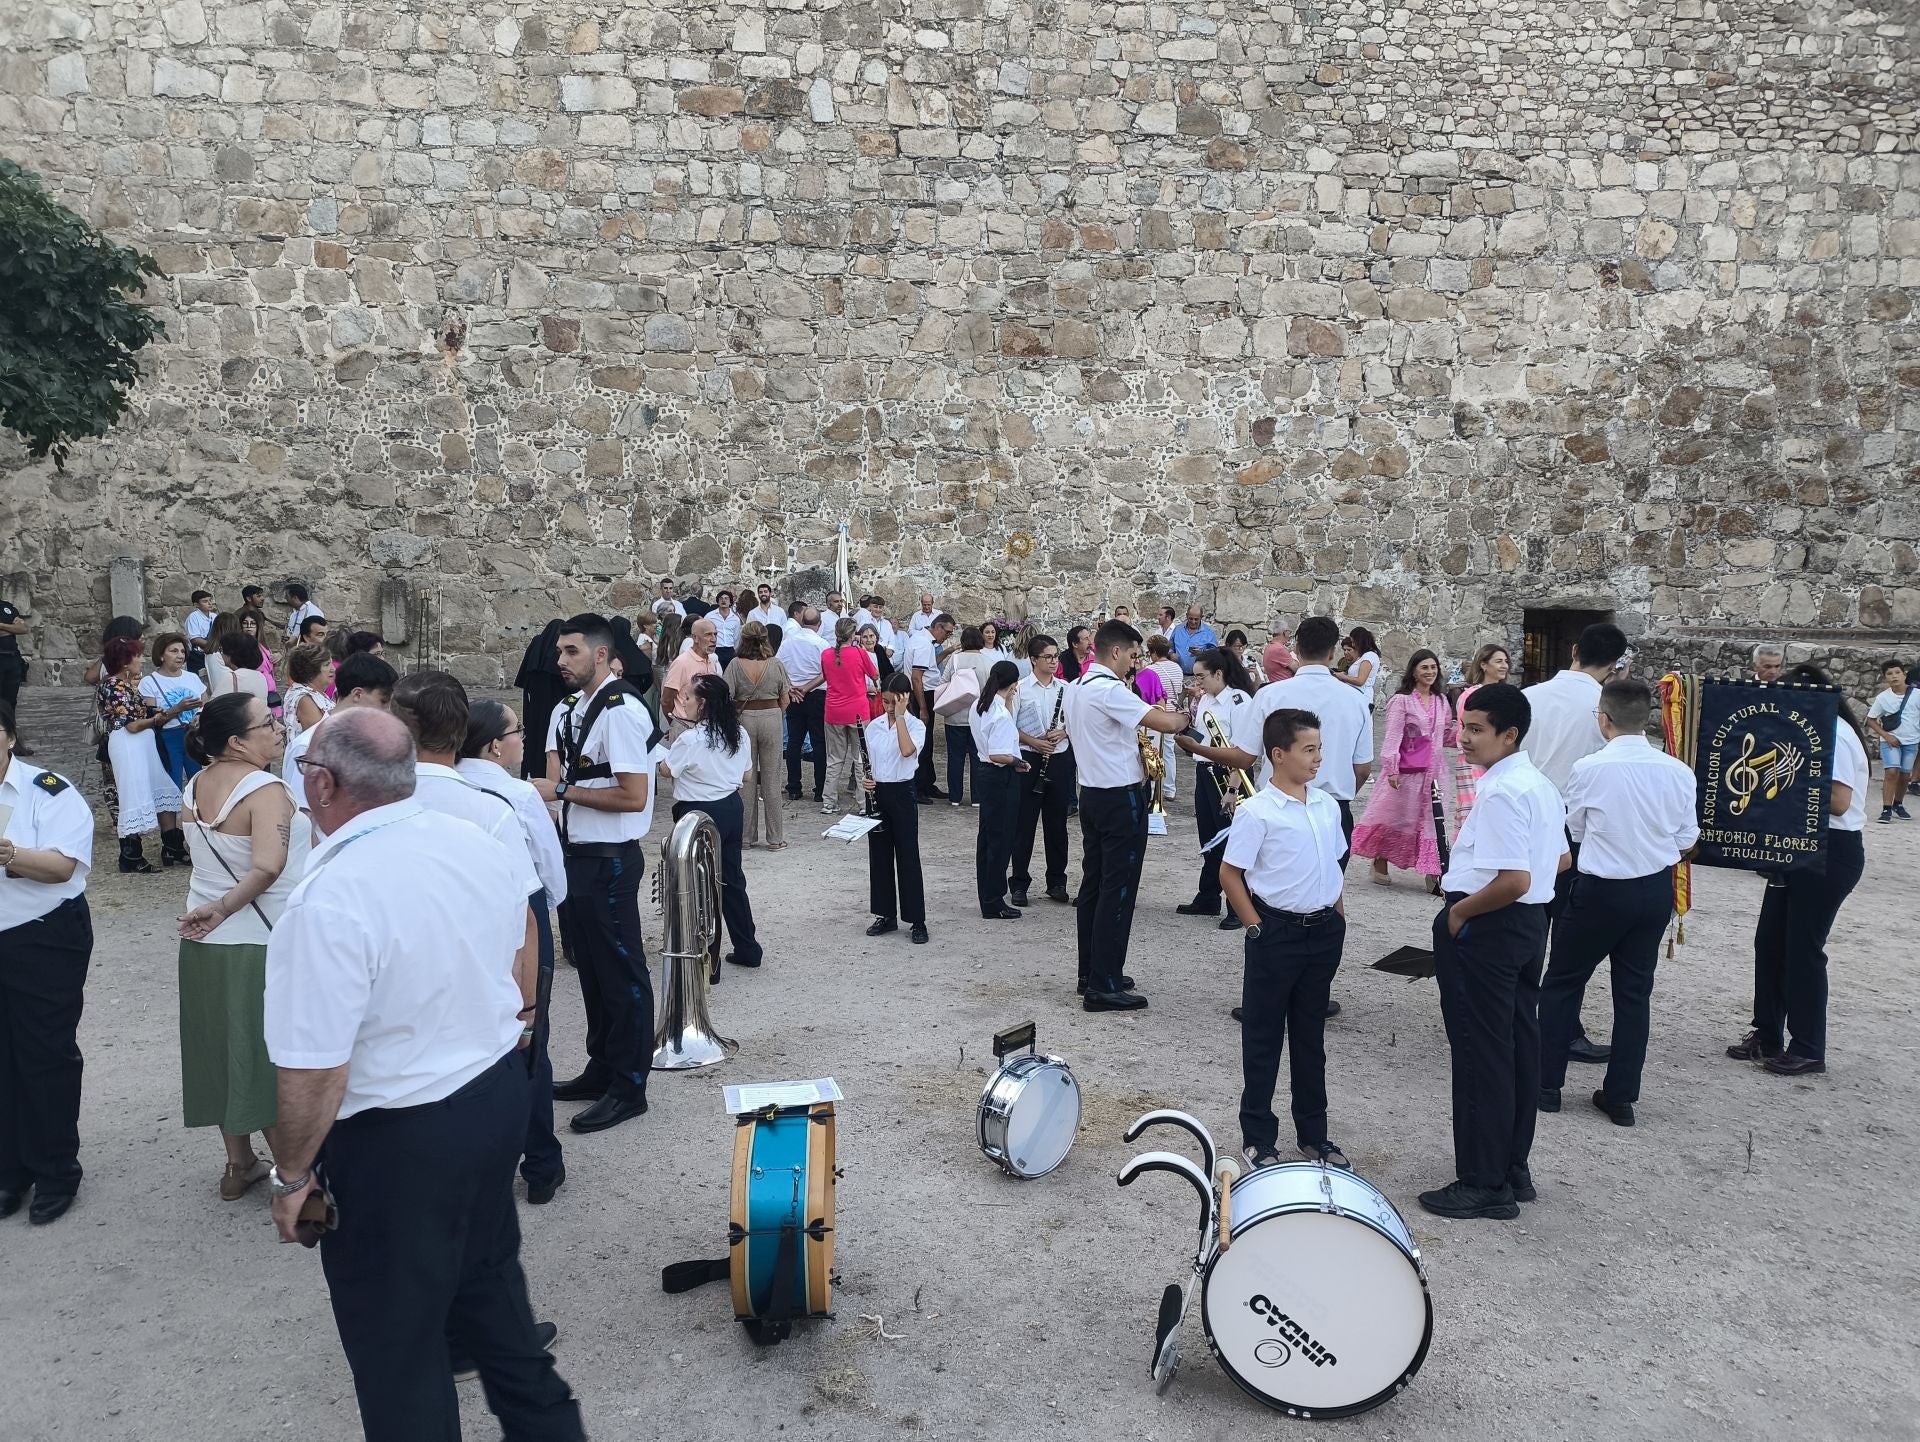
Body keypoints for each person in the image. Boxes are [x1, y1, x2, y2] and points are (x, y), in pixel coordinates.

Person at [262, 710, 580, 1442]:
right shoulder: (476, 839)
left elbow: (314, 1067)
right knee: (495, 1304)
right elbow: (520, 945)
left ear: (321, 783)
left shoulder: (328, 897)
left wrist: (291, 1175)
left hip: (397, 1138)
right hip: (494, 1096)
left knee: (397, 1350)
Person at [1418, 683, 1568, 1221]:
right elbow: (1560, 861)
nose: (1464, 739)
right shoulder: (1539, 784)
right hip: (1525, 925)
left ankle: (1483, 1180)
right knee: (1515, 1046)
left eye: (1477, 729)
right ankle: (1512, 1167)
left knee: (1482, 1054)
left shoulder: (1505, 790)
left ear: (1510, 735)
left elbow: (1515, 878)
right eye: (1464, 726)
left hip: (1490, 921)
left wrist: (1459, 914)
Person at [1537, 679, 1698, 1127]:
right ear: (1644, 718)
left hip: (1603, 887)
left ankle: (1546, 1085)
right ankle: (1622, 1095)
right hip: (1653, 890)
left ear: (1603, 719)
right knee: (1633, 994)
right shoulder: (1678, 771)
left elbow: (1575, 830)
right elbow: (1687, 840)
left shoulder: (1591, 768)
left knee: (1563, 982)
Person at [174, 693, 307, 1200]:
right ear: (236, 741)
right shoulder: (264, 788)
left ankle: (238, 1163)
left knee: (221, 1048)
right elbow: (268, 866)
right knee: (263, 1054)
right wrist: (227, 907)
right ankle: (295, 1178)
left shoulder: (194, 785)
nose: (277, 729)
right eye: (267, 723)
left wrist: (216, 910)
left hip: (206, 939)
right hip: (259, 937)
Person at [534, 615, 660, 1134]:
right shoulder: (575, 708)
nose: (559, 661)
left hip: (609, 858)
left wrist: (561, 793)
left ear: (603, 655)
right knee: (590, 970)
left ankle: (630, 1086)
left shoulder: (621, 710)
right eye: (560, 652)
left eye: (570, 652)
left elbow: (634, 795)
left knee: (621, 972)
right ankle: (602, 1068)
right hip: (580, 853)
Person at [1221, 708, 1352, 1171]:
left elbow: (1333, 866)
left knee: (1310, 1036)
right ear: (1279, 755)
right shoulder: (1257, 811)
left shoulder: (1326, 805)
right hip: (1275, 934)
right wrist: (1255, 926)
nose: (1318, 759)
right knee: (1263, 1037)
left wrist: (1337, 917)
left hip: (1322, 934)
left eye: (1320, 748)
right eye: (1308, 750)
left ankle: (1314, 1133)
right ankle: (1258, 1135)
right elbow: (1230, 873)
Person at [1728, 664, 1869, 1077]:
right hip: (1799, 848)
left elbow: (1839, 801)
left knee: (1803, 951)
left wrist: (1781, 781)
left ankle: (1808, 1044)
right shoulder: (1816, 730)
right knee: (1769, 942)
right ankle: (1768, 1031)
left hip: (1830, 850)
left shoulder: (1837, 734)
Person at [461, 700, 569, 1203]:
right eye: (517, 731)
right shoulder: (514, 794)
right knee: (529, 1037)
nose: (523, 737)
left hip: (461, 915)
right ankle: (542, 1164)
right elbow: (550, 870)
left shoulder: (439, 787)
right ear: (494, 744)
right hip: (518, 909)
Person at [1059, 620, 1191, 1012]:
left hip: (1094, 794)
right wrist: (1185, 713)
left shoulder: (1077, 688)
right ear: (1114, 652)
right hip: (1120, 797)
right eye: (1132, 656)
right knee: (1118, 888)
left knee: (1095, 886)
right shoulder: (1108, 690)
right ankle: (1104, 982)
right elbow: (1164, 722)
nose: (1134, 664)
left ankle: (1093, 969)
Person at [0, 701, 95, 1225]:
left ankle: (55, 1169)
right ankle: (8, 1171)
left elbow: (62, 867)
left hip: (41, 937)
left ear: (10, 737)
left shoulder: (47, 791)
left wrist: (9, 854)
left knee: (44, 1053)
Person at [1522, 621, 1628, 1064]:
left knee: (1525, 923)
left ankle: (1519, 1012)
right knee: (1567, 934)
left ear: (1573, 650)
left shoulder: (1529, 697)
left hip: (1527, 821)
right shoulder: (1606, 710)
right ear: (1616, 664)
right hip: (1574, 830)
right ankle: (1563, 1025)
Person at [1210, 617, 1373, 868]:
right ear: (1332, 653)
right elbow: (1362, 769)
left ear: (1295, 649)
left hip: (1277, 805)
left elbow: (1244, 757)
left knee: (1268, 890)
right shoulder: (1357, 700)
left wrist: (1196, 747)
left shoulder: (1269, 694)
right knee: (1326, 890)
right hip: (1332, 806)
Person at [661, 674, 762, 968]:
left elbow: (668, 770)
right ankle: (747, 947)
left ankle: (709, 959)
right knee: (732, 880)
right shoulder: (738, 733)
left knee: (701, 886)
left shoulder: (690, 739)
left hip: (697, 811)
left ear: (702, 704)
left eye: (689, 698)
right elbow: (746, 775)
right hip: (730, 807)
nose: (685, 703)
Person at [1352, 650, 1455, 893]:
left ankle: (1434, 872)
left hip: (1435, 773)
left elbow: (1446, 735)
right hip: (1407, 772)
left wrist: (1471, 736)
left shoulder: (1442, 701)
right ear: (1414, 671)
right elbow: (1393, 736)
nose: (1430, 672)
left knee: (1433, 821)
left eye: (1433, 667)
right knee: (1397, 818)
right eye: (1424, 668)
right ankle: (1380, 860)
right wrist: (1392, 769)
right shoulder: (1402, 701)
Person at [1173, 647, 1257, 924]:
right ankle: (1208, 896)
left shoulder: (1239, 700)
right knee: (1209, 838)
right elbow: (1205, 740)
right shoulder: (1207, 699)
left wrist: (1233, 789)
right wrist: (1185, 733)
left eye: (1201, 677)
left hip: (1229, 775)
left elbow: (1242, 749)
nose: (1197, 683)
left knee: (1231, 842)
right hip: (1205, 771)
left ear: (1219, 673)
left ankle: (1237, 906)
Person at [97, 637, 192, 872]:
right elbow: (130, 724)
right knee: (132, 794)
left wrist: (153, 712)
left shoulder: (126, 684)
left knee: (160, 788)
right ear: (124, 661)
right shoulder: (112, 685)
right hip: (129, 745)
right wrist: (159, 718)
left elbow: (137, 713)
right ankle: (130, 856)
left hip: (142, 744)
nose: (141, 659)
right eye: (137, 655)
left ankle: (172, 845)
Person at [283, 652, 398, 818]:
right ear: (357, 694)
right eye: (383, 702)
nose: (388, 711)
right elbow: (302, 816)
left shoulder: (365, 741)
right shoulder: (309, 745)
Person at [1010, 633, 1075, 908]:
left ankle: (1057, 882)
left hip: (1059, 760)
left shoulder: (1066, 688)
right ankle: (1019, 884)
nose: (1053, 661)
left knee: (1057, 824)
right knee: (1024, 824)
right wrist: (1033, 741)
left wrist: (1064, 733)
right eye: (1047, 657)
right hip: (1030, 759)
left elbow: (1076, 722)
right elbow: (1010, 726)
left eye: (1055, 656)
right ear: (1033, 659)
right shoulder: (1021, 689)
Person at [863, 674, 928, 944]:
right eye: (885, 701)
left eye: (893, 702)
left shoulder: (916, 725)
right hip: (878, 792)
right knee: (879, 855)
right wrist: (866, 781)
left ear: (904, 699)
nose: (888, 707)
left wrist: (900, 717)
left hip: (902, 792)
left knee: (907, 855)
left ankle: (916, 920)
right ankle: (885, 914)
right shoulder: (874, 726)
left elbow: (906, 751)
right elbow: (868, 761)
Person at [724, 621, 791, 851]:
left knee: (746, 778)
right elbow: (785, 698)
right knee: (772, 778)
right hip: (771, 716)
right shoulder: (776, 664)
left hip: (745, 719)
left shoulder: (734, 664)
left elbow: (726, 695)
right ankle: (775, 838)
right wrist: (774, 715)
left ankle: (745, 837)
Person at [972, 660, 1026, 920]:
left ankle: (987, 895)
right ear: (1013, 685)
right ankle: (994, 899)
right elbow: (999, 753)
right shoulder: (1001, 715)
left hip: (984, 774)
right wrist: (1018, 761)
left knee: (988, 838)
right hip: (1000, 776)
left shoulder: (980, 704)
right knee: (1001, 839)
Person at [1448, 643, 1512, 836]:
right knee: (1473, 810)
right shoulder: (1471, 695)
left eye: (1506, 661)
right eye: (1498, 661)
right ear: (1484, 665)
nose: (1504, 665)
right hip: (1474, 760)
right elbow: (1466, 730)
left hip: (1499, 759)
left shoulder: (1506, 695)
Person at [821, 617, 879, 813]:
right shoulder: (859, 653)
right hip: (858, 711)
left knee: (834, 759)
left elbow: (828, 677)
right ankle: (864, 804)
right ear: (853, 634)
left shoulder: (826, 654)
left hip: (834, 711)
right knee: (861, 759)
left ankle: (829, 802)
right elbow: (875, 674)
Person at [140, 633, 208, 791]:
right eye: (174, 651)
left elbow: (206, 704)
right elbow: (153, 719)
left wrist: (199, 715)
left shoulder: (192, 678)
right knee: (171, 786)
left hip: (193, 736)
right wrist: (178, 709)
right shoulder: (149, 682)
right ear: (161, 655)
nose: (180, 655)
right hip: (168, 738)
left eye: (183, 652)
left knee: (200, 785)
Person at [941, 626, 993, 807]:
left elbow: (943, 682)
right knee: (977, 757)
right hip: (977, 716)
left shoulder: (955, 660)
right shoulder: (987, 662)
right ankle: (977, 798)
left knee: (955, 758)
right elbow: (990, 691)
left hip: (954, 715)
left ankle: (955, 796)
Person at [906, 613, 954, 800]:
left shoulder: (923, 640)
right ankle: (918, 786)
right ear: (938, 627)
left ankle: (927, 782)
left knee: (928, 741)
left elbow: (930, 666)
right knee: (922, 741)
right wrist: (923, 708)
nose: (947, 636)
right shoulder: (923, 644)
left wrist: (947, 652)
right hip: (922, 694)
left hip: (925, 692)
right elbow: (917, 678)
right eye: (947, 632)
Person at [1866, 659, 1917, 822]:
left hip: (1912, 741)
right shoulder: (1883, 698)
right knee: (1891, 772)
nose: (1894, 676)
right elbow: (1871, 719)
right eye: (1889, 674)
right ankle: (1886, 809)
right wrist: (1886, 736)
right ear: (1885, 678)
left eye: (1897, 672)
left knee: (1904, 775)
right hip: (1889, 741)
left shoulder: (1917, 695)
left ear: (1904, 674)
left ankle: (1898, 804)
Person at [662, 616, 722, 743]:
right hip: (685, 726)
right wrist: (676, 724)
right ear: (695, 638)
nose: (713, 639)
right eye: (708, 635)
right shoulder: (682, 662)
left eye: (715, 634)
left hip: (707, 726)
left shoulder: (711, 661)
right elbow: (666, 700)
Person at [1143, 635, 1185, 800]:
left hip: (1158, 712)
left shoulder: (1151, 669)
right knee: (1168, 750)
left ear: (1153, 652)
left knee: (1153, 750)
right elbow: (1180, 690)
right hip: (1173, 712)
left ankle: (1153, 788)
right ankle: (1169, 788)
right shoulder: (1176, 668)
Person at [281, 643, 334, 741]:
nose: (333, 669)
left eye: (331, 663)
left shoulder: (316, 692)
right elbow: (319, 739)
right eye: (327, 665)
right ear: (310, 670)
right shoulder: (304, 699)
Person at [1337, 626, 1382, 710]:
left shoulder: (1369, 656)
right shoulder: (1364, 656)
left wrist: (1342, 676)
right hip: (1355, 697)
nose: (1353, 644)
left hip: (1362, 698)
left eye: (1353, 642)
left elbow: (1360, 681)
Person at [1170, 604, 1218, 675]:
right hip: (1177, 674)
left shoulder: (1208, 632)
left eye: (1196, 619)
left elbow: (1215, 653)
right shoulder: (1178, 630)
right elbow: (1169, 647)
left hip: (1199, 677)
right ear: (1186, 616)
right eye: (1190, 618)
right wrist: (1171, 654)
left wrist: (1202, 653)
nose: (1193, 622)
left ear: (1201, 617)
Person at [184, 590, 215, 672]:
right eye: (205, 601)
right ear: (196, 605)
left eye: (210, 600)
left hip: (212, 654)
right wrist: (214, 646)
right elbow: (195, 639)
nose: (209, 603)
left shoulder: (214, 616)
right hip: (197, 656)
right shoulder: (193, 617)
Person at [709, 589, 741, 670]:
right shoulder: (710, 616)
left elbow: (736, 638)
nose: (723, 600)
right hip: (716, 649)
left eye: (726, 598)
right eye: (721, 598)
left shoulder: (735, 619)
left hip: (730, 650)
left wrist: (734, 651)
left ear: (730, 602)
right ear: (718, 601)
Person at [1261, 619, 1297, 685]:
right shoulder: (1279, 649)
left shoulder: (1268, 647)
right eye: (1289, 632)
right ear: (1285, 633)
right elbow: (1298, 669)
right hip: (1286, 686)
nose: (1289, 635)